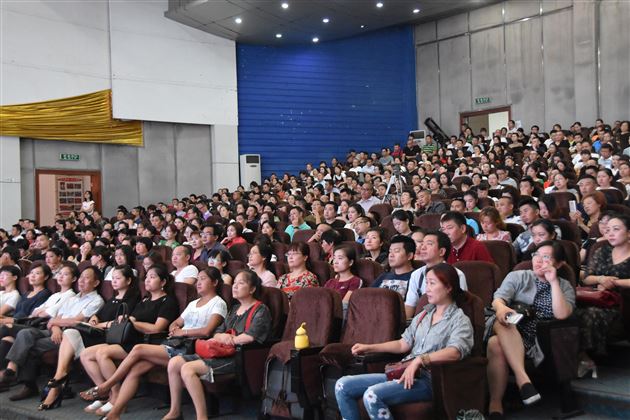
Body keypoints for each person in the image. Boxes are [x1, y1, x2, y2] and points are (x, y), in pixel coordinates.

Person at [78, 267, 228, 419]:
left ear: (214, 282)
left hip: (191, 346)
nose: (199, 282)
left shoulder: (218, 303)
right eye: (199, 279)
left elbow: (207, 331)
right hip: (176, 343)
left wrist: (183, 332)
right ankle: (115, 413)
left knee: (138, 349)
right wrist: (175, 327)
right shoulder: (193, 303)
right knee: (135, 370)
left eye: (203, 279)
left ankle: (106, 386)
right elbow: (175, 322)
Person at [335, 263, 473, 420]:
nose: (427, 288)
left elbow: (455, 351)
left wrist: (421, 360)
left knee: (372, 395)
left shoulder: (459, 319)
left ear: (449, 287)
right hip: (405, 371)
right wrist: (369, 347)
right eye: (426, 282)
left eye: (432, 283)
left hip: (431, 380)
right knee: (343, 385)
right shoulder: (423, 315)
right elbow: (403, 344)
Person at [163, 270, 272, 420]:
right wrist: (223, 336)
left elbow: (251, 336)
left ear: (252, 289)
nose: (235, 286)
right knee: (174, 363)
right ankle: (175, 411)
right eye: (234, 283)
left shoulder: (261, 310)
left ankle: (202, 417)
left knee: (188, 369)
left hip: (236, 357)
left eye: (241, 283)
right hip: (220, 352)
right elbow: (217, 332)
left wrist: (231, 340)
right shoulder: (234, 309)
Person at [486, 241, 575, 417]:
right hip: (512, 327)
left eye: (546, 257)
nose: (539, 260)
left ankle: (495, 403)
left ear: (558, 263)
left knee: (495, 344)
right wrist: (502, 308)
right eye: (536, 255)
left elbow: (562, 315)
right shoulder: (518, 276)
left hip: (539, 340)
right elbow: (498, 299)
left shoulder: (564, 285)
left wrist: (553, 282)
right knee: (504, 323)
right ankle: (523, 380)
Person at [78, 264, 179, 415]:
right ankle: (109, 394)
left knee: (102, 353)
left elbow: (157, 328)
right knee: (86, 354)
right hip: (130, 339)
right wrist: (128, 321)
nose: (147, 280)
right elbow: (130, 319)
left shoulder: (168, 301)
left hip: (145, 342)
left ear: (163, 282)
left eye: (152, 277)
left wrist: (134, 323)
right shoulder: (145, 300)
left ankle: (114, 395)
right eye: (146, 277)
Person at [37, 265, 141, 411]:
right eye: (113, 278)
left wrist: (99, 324)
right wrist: (94, 319)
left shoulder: (131, 300)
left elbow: (120, 322)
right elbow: (98, 315)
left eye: (118, 278)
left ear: (129, 280)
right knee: (73, 336)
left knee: (72, 332)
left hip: (111, 338)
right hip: (99, 334)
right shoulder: (113, 298)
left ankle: (62, 378)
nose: (114, 281)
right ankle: (103, 391)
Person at [0, 265, 104, 401]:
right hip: (54, 331)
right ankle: (12, 372)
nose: (81, 280)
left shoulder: (97, 300)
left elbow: (76, 321)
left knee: (28, 343)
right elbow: (56, 319)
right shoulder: (73, 299)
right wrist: (55, 328)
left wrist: (56, 324)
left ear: (96, 283)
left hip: (70, 336)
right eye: (81, 277)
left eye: (86, 277)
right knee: (25, 334)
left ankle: (25, 383)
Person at [575, 214, 630, 377]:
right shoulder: (602, 250)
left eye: (616, 229)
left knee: (591, 314)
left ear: (628, 233)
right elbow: (587, 278)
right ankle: (583, 358)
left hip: (621, 304)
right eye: (608, 230)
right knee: (572, 312)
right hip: (598, 298)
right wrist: (601, 278)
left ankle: (584, 358)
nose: (610, 233)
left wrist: (616, 283)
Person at [406, 231, 468, 318]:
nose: (422, 247)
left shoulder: (457, 275)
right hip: (421, 322)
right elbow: (410, 305)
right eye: (422, 243)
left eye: (429, 244)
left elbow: (460, 307)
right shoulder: (416, 275)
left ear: (442, 251)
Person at [371, 236, 416, 301]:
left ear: (409, 256)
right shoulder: (383, 276)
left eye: (396, 251)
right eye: (390, 251)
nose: (391, 255)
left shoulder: (416, 277)